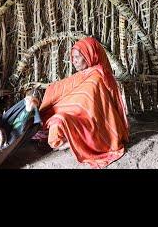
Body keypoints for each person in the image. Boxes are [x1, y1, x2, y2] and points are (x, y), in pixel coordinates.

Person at [37, 36, 129, 168]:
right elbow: (61, 88)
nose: (73, 61)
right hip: (78, 117)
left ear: (89, 56)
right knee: (54, 124)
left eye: (76, 57)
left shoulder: (97, 78)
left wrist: (66, 114)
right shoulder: (84, 74)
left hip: (91, 123)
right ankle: (73, 140)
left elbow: (86, 107)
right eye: (72, 57)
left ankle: (76, 141)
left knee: (58, 122)